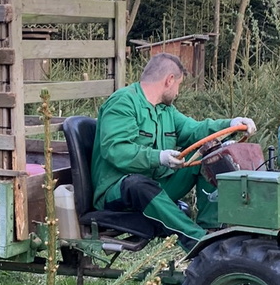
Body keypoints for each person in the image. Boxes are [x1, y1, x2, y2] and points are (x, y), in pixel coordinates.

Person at [91, 53, 256, 249]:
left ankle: (213, 230)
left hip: (155, 184)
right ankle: (198, 242)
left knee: (211, 154)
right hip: (118, 191)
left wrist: (230, 124)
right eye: (179, 85)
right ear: (169, 80)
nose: (177, 92)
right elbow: (116, 150)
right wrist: (158, 157)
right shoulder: (123, 103)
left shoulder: (165, 110)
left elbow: (194, 130)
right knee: (137, 184)